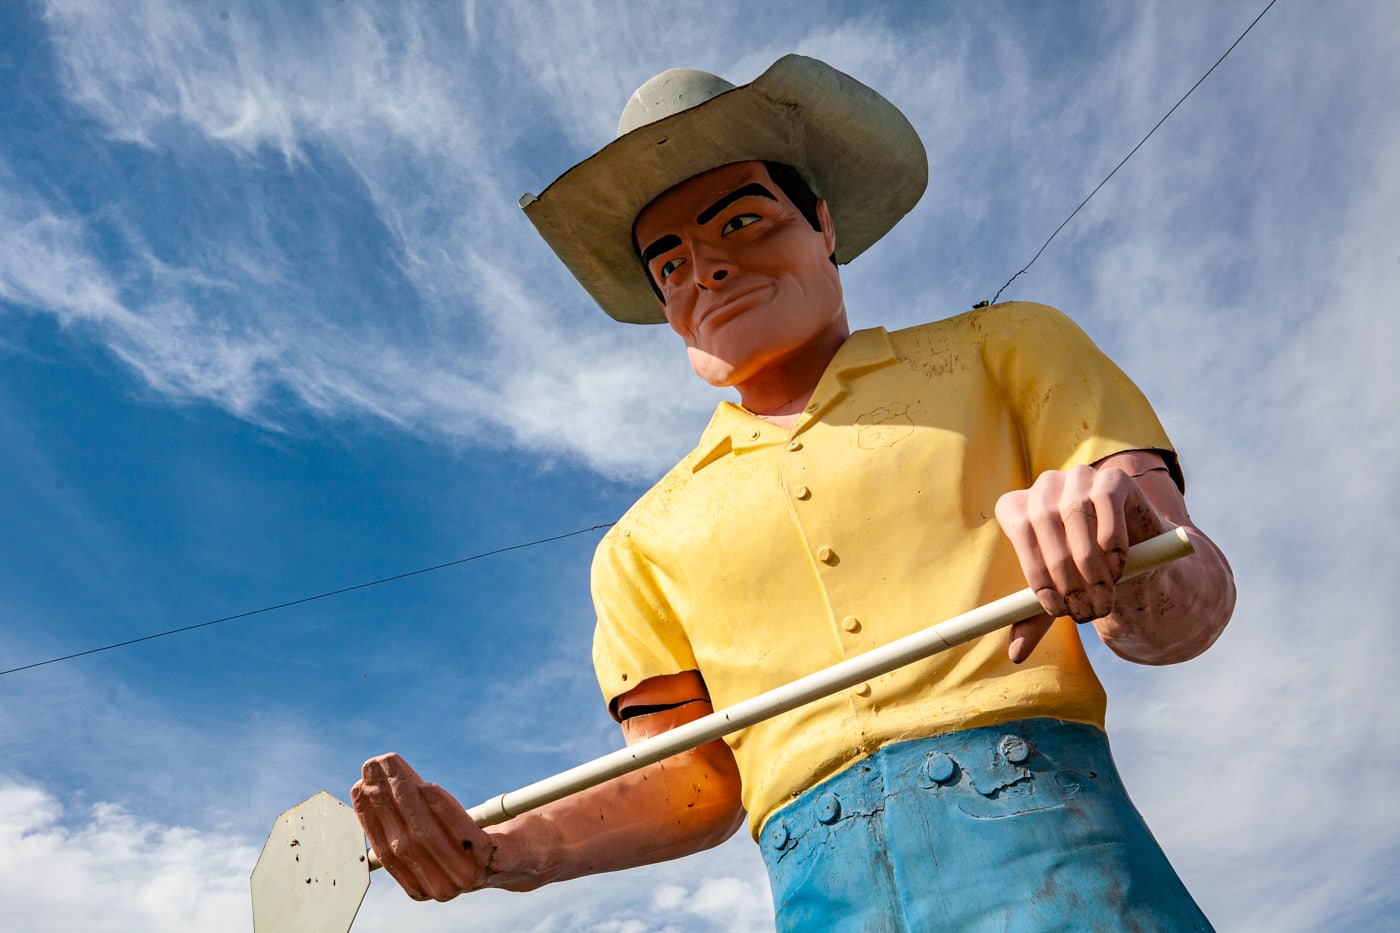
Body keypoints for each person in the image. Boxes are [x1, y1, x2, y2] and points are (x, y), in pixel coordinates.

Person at [351, 56, 1235, 931]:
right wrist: (499, 847)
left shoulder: (1008, 349)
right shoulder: (640, 542)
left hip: (1069, 877)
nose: (709, 271)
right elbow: (694, 786)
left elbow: (1189, 604)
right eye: (671, 265)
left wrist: (1126, 544)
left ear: (822, 224)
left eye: (742, 222)